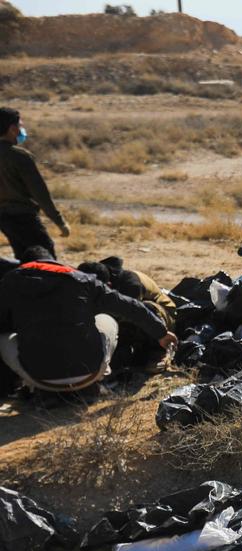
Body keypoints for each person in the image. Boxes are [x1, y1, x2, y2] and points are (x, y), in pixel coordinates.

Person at [0, 246, 176, 396]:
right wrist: (160, 333)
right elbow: (130, 306)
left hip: (39, 378)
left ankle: (13, 384)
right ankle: (101, 378)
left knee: (4, 337)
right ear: (53, 261)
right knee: (106, 318)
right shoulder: (82, 280)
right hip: (88, 375)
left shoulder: (8, 283)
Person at [76, 256, 176, 375]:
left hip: (159, 319)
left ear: (108, 285)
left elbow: (135, 312)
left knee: (147, 307)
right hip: (128, 321)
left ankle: (158, 352)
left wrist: (161, 333)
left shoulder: (131, 284)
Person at [0, 108, 69, 259]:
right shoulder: (19, 156)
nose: (22, 130)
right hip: (23, 216)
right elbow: (40, 193)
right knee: (45, 257)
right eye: (20, 126)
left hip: (4, 218)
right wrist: (59, 221)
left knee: (23, 257)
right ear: (12, 129)